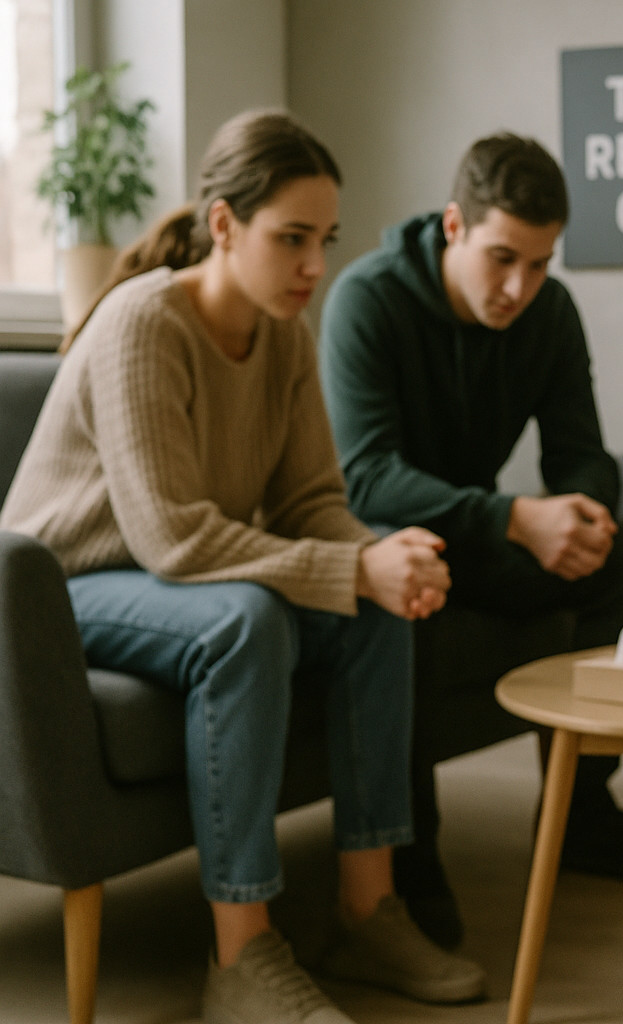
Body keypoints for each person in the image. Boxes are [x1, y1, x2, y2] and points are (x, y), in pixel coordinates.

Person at [0, 110, 485, 1023]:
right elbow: (174, 539)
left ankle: (367, 910)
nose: (314, 266)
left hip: (168, 578)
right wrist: (350, 569)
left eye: (324, 240)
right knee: (245, 622)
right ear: (223, 224)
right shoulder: (142, 322)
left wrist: (377, 557)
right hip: (60, 590)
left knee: (377, 607)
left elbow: (309, 501)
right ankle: (241, 954)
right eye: (290, 238)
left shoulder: (285, 335)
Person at [319, 131, 623, 947]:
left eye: (541, 263)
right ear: (454, 225)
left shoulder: (547, 311)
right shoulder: (365, 299)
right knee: (408, 585)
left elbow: (581, 452)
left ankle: (584, 811)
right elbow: (366, 476)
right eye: (502, 259)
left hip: (478, 537)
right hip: (393, 544)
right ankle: (409, 855)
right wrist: (519, 519)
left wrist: (583, 514)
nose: (520, 286)